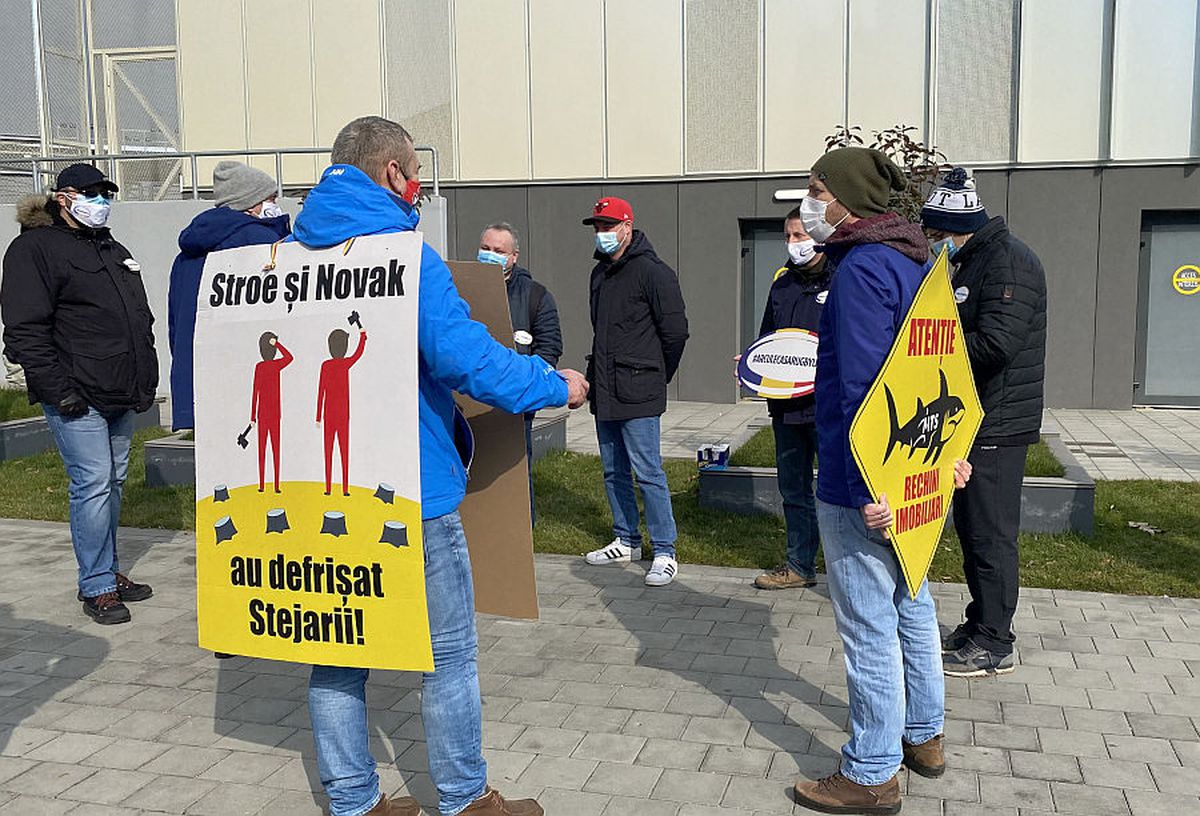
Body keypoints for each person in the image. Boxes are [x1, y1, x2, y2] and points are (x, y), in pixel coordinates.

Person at [289, 116, 588, 816]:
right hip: (409, 492)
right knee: (448, 655)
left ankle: (354, 802)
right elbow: (467, 362)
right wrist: (555, 384)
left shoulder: (282, 255)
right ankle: (465, 799)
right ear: (394, 173)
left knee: (336, 651)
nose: (419, 188)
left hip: (321, 489)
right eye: (415, 172)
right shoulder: (404, 257)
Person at [793, 147, 971, 815]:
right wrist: (940, 462)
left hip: (863, 481)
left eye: (816, 191)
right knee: (914, 606)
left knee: (870, 625)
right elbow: (942, 373)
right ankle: (923, 736)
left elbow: (867, 393)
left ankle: (870, 771)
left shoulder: (863, 268)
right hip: (916, 477)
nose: (811, 205)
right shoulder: (914, 259)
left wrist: (875, 490)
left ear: (845, 197)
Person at [1, 164, 157, 625]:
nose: (100, 201)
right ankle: (97, 586)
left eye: (105, 193)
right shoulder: (33, 249)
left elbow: (137, 319)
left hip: (118, 391)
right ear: (63, 197)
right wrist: (59, 391)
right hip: (75, 394)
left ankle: (106, 569)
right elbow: (25, 331)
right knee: (91, 484)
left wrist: (144, 380)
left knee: (112, 483)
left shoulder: (111, 247)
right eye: (90, 193)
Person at [921, 167, 1047, 678]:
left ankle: (995, 642)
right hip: (975, 419)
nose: (933, 243)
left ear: (956, 227)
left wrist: (927, 351)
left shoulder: (1008, 263)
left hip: (998, 422)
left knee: (992, 536)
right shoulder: (974, 260)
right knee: (973, 532)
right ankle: (979, 623)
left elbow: (996, 344)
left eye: (935, 234)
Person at [580, 197, 689, 587]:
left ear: (628, 226)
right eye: (598, 227)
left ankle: (664, 549)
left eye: (609, 226)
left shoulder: (653, 272)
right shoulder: (600, 274)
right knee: (613, 470)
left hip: (639, 390)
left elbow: (675, 333)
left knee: (648, 472)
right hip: (606, 388)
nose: (602, 233)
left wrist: (656, 375)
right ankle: (626, 539)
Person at [167, 160, 290, 430]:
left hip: (201, 376)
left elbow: (176, 325)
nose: (276, 206)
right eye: (271, 198)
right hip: (250, 373)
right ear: (251, 203)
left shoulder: (185, 256)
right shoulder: (263, 244)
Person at [750, 209, 833, 590]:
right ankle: (800, 565)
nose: (793, 243)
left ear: (818, 234)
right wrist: (754, 361)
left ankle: (847, 569)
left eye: (799, 235)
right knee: (794, 491)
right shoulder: (782, 282)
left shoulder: (842, 277)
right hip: (786, 408)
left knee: (838, 492)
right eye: (788, 236)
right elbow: (769, 336)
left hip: (828, 408)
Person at [476, 222, 562, 524]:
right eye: (485, 249)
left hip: (516, 400)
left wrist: (529, 385)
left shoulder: (536, 296)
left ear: (514, 257)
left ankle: (522, 526)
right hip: (468, 396)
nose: (490, 255)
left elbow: (549, 348)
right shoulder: (461, 289)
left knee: (515, 465)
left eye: (498, 251)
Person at [316, 327, 367, 496]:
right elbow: (358, 353)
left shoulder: (327, 365)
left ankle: (330, 488)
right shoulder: (343, 364)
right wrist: (362, 333)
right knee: (342, 451)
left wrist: (318, 416)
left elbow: (320, 391)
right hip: (341, 415)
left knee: (329, 452)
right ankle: (342, 489)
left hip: (330, 415)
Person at [250, 332, 293, 493]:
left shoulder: (264, 366)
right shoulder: (271, 366)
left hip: (267, 414)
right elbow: (289, 357)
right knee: (272, 450)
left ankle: (269, 485)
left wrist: (253, 416)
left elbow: (255, 392)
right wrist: (277, 344)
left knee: (266, 449)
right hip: (271, 414)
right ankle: (269, 485)